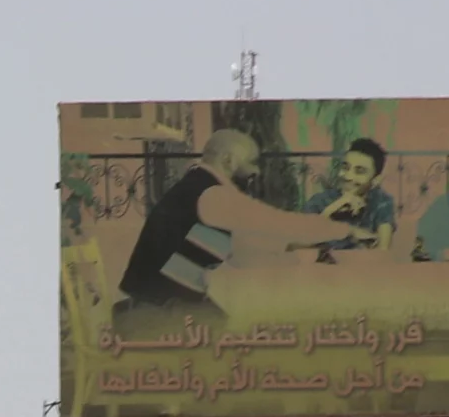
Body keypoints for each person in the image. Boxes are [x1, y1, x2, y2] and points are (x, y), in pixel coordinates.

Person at [116, 129, 365, 315]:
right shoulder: (213, 194)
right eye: (252, 162)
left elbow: (242, 249)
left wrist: (297, 253)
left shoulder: (197, 186)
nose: (256, 171)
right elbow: (278, 223)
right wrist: (345, 230)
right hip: (158, 311)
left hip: (157, 302)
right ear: (228, 160)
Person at [303, 136, 395, 254]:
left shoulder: (381, 201)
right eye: (345, 167)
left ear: (376, 180)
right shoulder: (320, 200)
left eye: (359, 171)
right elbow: (299, 245)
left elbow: (383, 251)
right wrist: (335, 207)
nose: (347, 176)